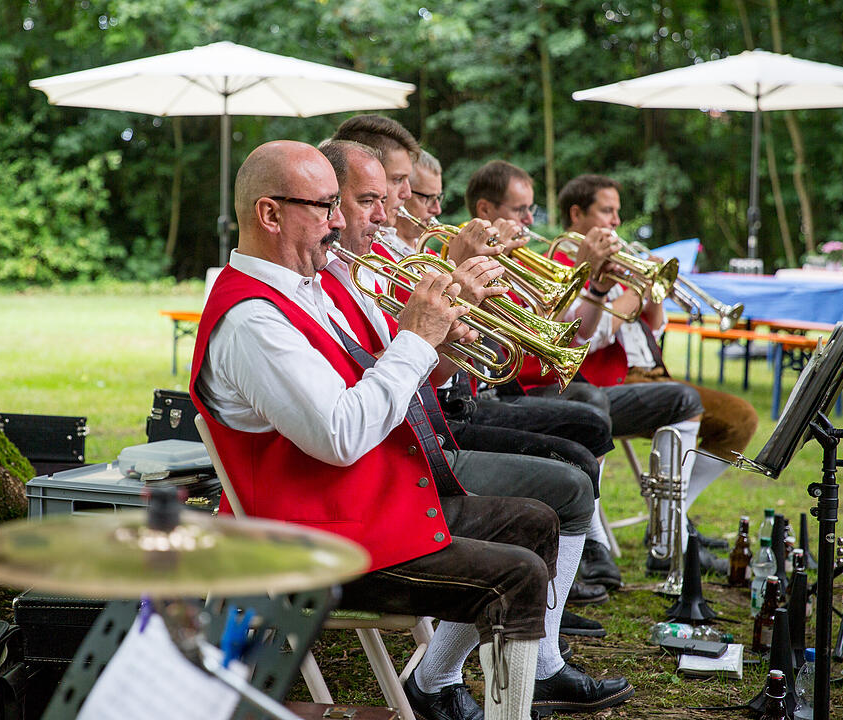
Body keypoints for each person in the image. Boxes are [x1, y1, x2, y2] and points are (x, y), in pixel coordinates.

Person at [189, 140, 568, 720]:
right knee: (520, 576)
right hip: (322, 545)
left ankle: (438, 682)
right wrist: (417, 337)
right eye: (324, 206)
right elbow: (340, 435)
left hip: (371, 508)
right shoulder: (252, 320)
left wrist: (439, 342)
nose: (339, 220)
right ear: (269, 214)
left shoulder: (314, 285)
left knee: (536, 523)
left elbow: (395, 388)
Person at [316, 137, 634, 716]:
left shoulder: (366, 264)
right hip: (409, 453)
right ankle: (514, 662)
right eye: (389, 190)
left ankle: (514, 654)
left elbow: (428, 371)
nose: (406, 205)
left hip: (424, 431)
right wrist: (445, 294)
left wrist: (459, 328)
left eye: (411, 191)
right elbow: (370, 401)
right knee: (567, 478)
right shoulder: (345, 276)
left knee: (578, 455)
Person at [465, 160, 729, 575]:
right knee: (587, 405)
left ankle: (670, 528)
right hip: (534, 387)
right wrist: (591, 278)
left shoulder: (529, 261)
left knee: (698, 404)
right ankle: (591, 540)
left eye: (532, 209)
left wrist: (636, 289)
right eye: (521, 210)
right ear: (485, 210)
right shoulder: (521, 259)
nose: (531, 221)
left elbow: (577, 333)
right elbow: (571, 337)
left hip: (581, 378)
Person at [558, 173, 759, 546]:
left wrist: (652, 290)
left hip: (651, 373)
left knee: (741, 418)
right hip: (608, 381)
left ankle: (674, 514)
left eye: (618, 211)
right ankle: (671, 533)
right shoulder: (562, 262)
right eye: (607, 210)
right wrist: (628, 294)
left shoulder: (619, 262)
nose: (616, 221)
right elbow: (587, 336)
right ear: (576, 214)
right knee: (684, 406)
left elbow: (654, 328)